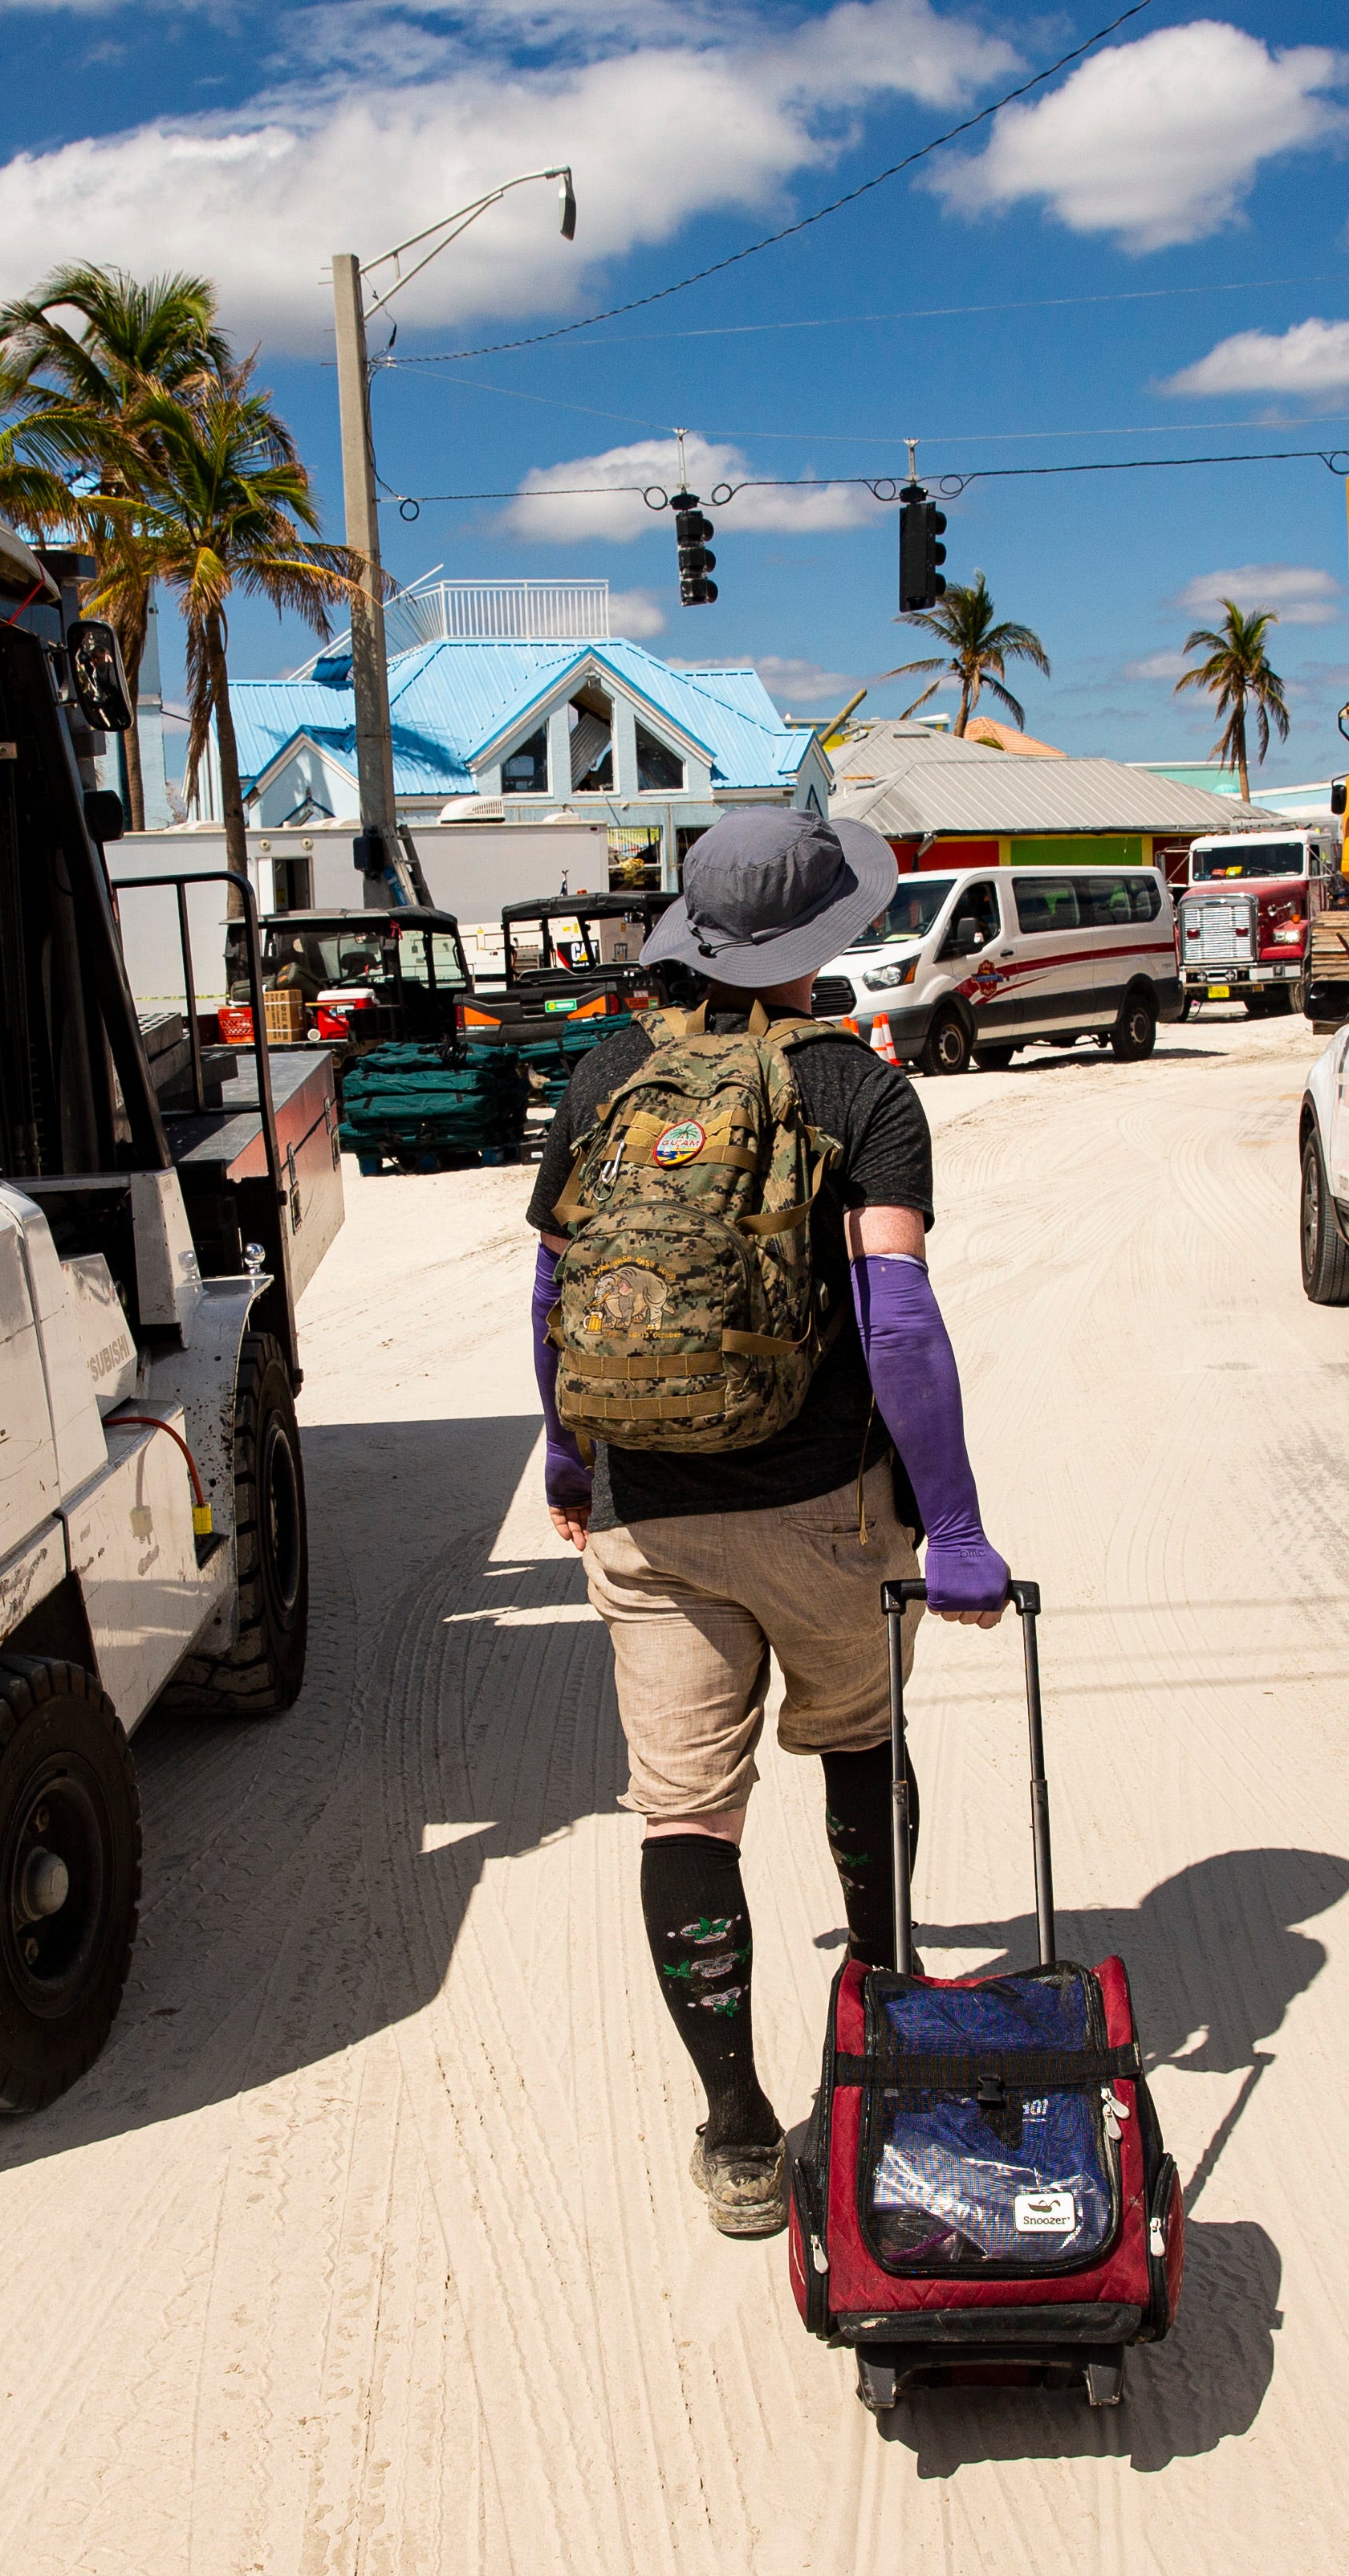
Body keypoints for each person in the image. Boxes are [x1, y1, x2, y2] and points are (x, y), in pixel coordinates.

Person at [527, 804, 1010, 2239]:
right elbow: (897, 1321)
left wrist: (568, 1463)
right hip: (825, 1514)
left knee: (683, 1811)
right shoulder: (856, 1089)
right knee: (856, 1745)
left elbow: (556, 1300)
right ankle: (877, 2038)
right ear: (819, 943)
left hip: (647, 1516)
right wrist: (956, 1525)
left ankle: (739, 2134)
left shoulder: (603, 1071)